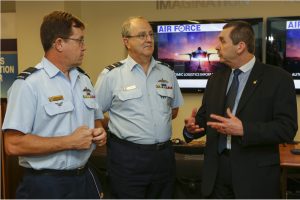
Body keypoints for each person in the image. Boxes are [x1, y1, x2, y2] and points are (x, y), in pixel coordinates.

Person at [183, 21, 297, 198]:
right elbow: (206, 118)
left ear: (240, 46)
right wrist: (192, 129)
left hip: (255, 179)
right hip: (216, 176)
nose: (217, 46)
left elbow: (287, 128)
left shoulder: (278, 79)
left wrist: (245, 130)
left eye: (222, 41)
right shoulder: (215, 79)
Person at [2, 11, 107, 199]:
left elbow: (97, 120)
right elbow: (13, 144)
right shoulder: (28, 84)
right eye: (79, 41)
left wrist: (99, 133)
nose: (84, 47)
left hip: (84, 178)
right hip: (46, 184)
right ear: (59, 43)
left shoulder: (84, 80)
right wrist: (69, 142)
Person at [94, 16, 184, 198]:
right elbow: (94, 112)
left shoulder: (167, 72)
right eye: (142, 35)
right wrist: (113, 126)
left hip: (163, 157)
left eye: (151, 34)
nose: (149, 39)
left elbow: (173, 110)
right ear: (126, 41)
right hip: (128, 158)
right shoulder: (111, 75)